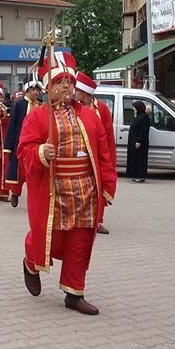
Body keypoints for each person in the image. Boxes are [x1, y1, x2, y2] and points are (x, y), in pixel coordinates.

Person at [18, 52, 117, 316]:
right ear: (48, 88)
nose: (65, 87)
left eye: (68, 82)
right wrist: (40, 153)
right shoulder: (38, 117)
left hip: (85, 188)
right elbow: (24, 149)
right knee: (47, 236)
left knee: (81, 239)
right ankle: (30, 263)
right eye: (59, 82)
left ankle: (74, 293)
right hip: (54, 189)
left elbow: (104, 152)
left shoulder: (90, 116)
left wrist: (107, 185)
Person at [75, 72, 116, 234]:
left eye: (77, 90)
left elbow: (108, 135)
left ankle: (98, 220)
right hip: (79, 154)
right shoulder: (74, 107)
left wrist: (109, 157)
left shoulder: (102, 109)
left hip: (98, 154)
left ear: (84, 93)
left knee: (98, 188)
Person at [4, 73, 43, 208]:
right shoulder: (19, 104)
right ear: (27, 90)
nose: (35, 92)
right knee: (19, 172)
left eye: (38, 90)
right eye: (33, 89)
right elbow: (12, 125)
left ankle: (35, 199)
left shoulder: (41, 105)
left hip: (37, 144)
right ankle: (15, 193)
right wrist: (8, 146)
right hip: (21, 142)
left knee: (34, 172)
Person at [126, 101, 151, 183]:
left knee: (140, 160)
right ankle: (136, 175)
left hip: (140, 143)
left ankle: (141, 176)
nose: (134, 110)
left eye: (135, 108)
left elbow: (143, 131)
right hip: (135, 142)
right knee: (135, 159)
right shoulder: (139, 116)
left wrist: (139, 141)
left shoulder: (144, 117)